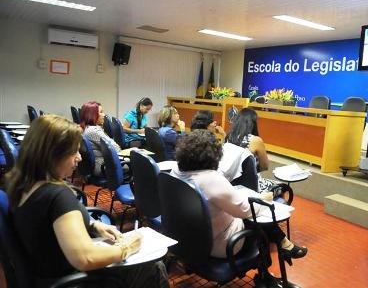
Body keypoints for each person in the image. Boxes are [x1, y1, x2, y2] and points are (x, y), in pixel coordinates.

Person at [5, 115, 168, 288]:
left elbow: (48, 222)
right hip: (75, 280)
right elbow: (85, 258)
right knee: (154, 268)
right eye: (74, 151)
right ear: (53, 155)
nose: (79, 158)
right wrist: (126, 248)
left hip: (45, 274)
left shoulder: (21, 185)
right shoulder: (57, 196)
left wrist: (92, 225)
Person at [171, 130, 307, 260]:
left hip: (190, 237)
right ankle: (267, 271)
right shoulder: (210, 179)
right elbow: (246, 210)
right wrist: (262, 199)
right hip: (219, 244)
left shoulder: (176, 170)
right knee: (259, 217)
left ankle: (284, 245)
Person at [80, 101, 121, 176]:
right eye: (101, 112)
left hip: (102, 162)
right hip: (102, 165)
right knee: (136, 164)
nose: (104, 115)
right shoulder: (94, 131)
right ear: (92, 115)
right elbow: (116, 149)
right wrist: (117, 145)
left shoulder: (87, 127)